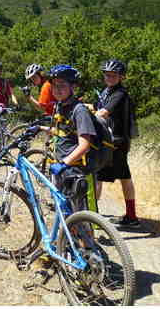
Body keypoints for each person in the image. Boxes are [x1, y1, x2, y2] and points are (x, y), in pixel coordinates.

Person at [94, 59, 140, 228]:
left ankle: (92, 217)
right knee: (124, 177)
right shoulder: (108, 91)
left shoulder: (119, 94)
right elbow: (96, 106)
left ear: (121, 77)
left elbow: (103, 113)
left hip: (115, 142)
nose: (109, 77)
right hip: (116, 141)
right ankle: (131, 216)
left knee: (97, 175)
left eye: (113, 75)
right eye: (107, 74)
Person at [45, 64, 96, 212]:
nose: (57, 89)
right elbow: (63, 132)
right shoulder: (59, 106)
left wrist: (64, 163)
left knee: (80, 217)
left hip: (75, 171)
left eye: (62, 85)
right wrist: (40, 129)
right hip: (61, 169)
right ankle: (67, 235)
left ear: (72, 86)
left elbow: (84, 145)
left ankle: (84, 235)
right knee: (64, 212)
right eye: (54, 85)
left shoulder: (79, 110)